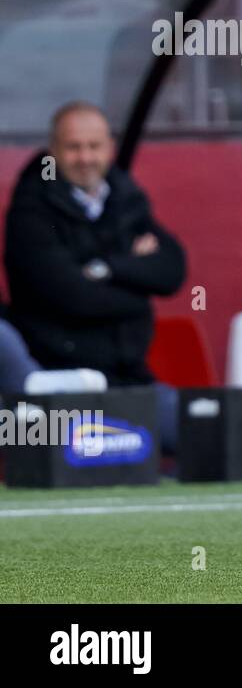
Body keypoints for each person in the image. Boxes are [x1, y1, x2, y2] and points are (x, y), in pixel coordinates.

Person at [3, 102, 186, 450]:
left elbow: (172, 270)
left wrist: (106, 269)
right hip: (61, 380)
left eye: (94, 146)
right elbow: (74, 297)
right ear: (53, 151)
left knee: (204, 431)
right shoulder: (32, 209)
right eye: (73, 147)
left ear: (110, 148)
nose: (85, 157)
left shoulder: (125, 196)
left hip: (128, 378)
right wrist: (138, 287)